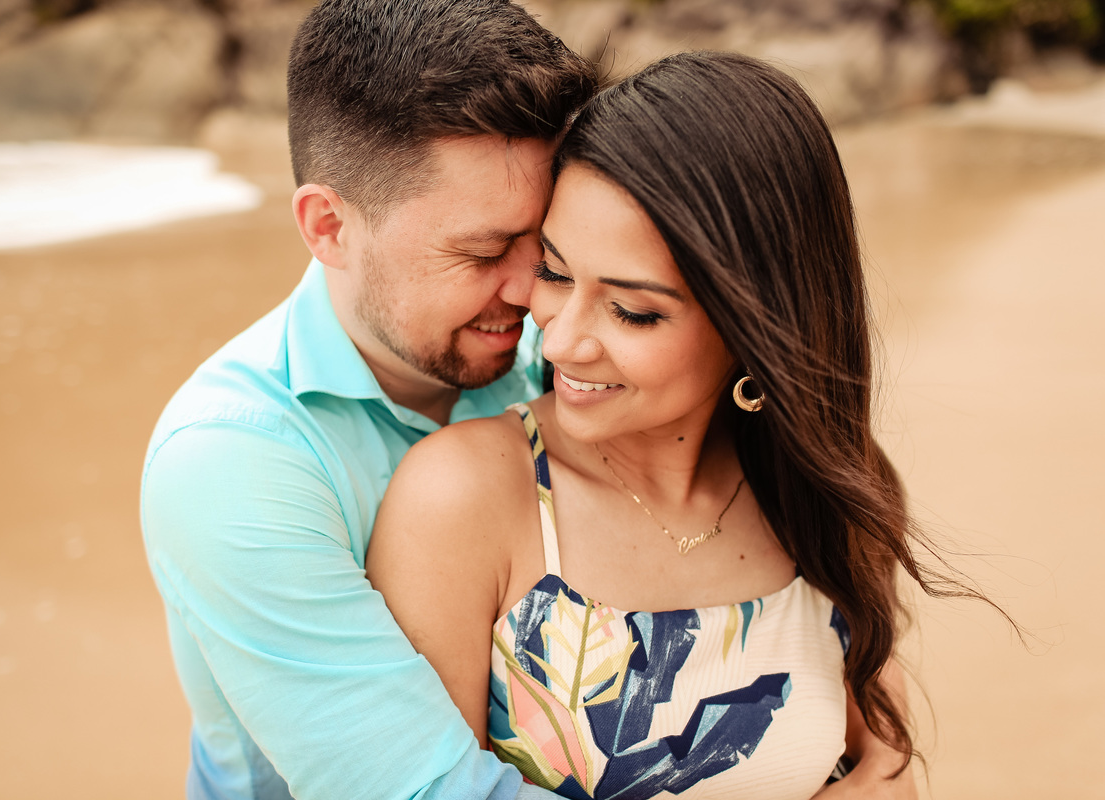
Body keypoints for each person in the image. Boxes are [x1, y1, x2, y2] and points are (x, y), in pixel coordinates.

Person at [367, 51, 926, 799]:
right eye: (556, 273)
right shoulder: (466, 500)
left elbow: (886, 774)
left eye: (632, 310)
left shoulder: (827, 492)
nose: (561, 340)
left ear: (755, 323)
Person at [139, 1, 596, 798]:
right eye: (485, 251)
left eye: (546, 243)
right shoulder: (232, 460)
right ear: (328, 227)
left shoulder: (566, 355)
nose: (532, 291)